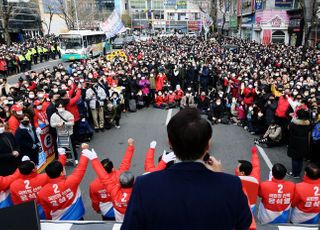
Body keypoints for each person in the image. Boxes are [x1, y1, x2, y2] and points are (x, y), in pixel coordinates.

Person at [122, 108, 252, 229]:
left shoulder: (144, 185)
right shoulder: (231, 185)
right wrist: (220, 177)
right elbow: (245, 224)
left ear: (170, 143)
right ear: (208, 145)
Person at [38, 144, 89, 220]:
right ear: (62, 173)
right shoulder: (72, 180)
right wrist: (85, 150)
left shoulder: (42, 193)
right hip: (77, 216)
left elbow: (47, 211)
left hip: (59, 222)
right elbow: (81, 167)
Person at [235, 146, 260, 213]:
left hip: (239, 206)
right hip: (252, 206)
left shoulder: (235, 182)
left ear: (242, 173)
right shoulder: (255, 178)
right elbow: (256, 165)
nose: (236, 169)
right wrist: (254, 153)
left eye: (237, 168)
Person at [287, 109, 311, 178]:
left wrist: (293, 119)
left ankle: (295, 173)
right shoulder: (308, 124)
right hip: (304, 142)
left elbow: (289, 129)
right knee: (300, 158)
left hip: (294, 142)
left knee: (295, 158)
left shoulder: (293, 124)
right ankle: (298, 173)